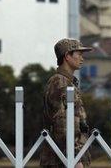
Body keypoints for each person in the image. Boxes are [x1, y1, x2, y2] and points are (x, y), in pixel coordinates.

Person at [40, 38, 92, 168]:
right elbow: (62, 123)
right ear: (67, 56)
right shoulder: (60, 83)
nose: (82, 58)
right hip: (62, 160)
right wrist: (74, 157)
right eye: (78, 54)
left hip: (67, 158)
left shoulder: (67, 82)